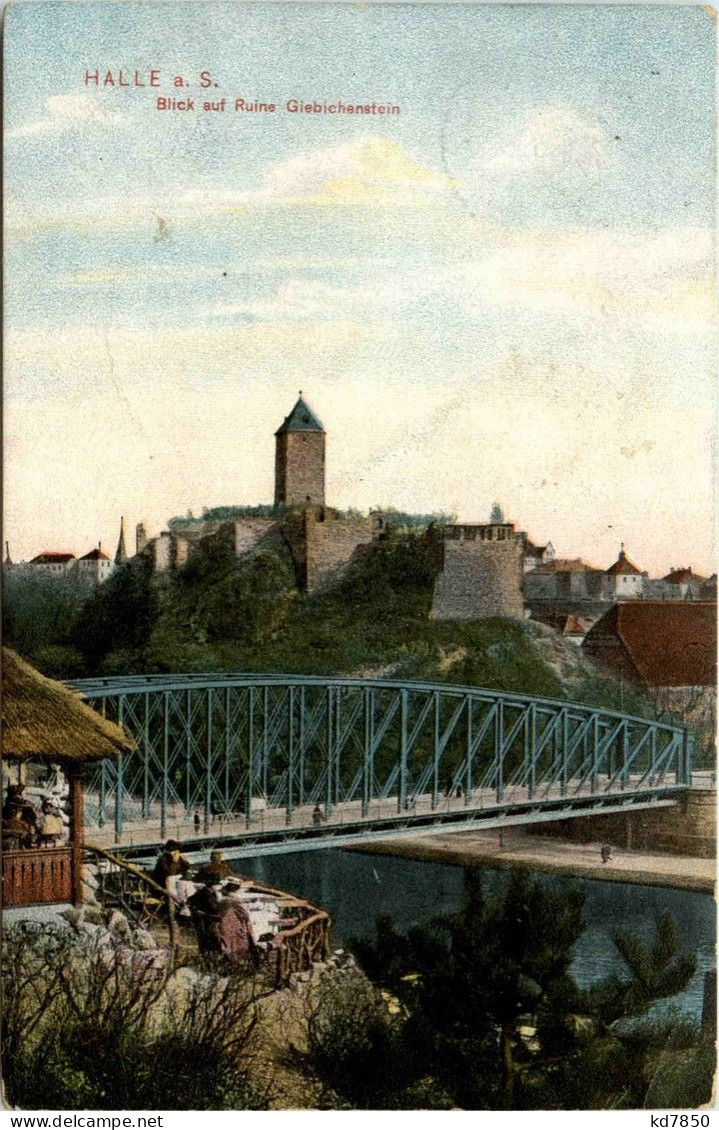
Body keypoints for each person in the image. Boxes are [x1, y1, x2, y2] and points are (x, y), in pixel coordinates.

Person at [213, 882, 255, 967]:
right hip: (234, 923)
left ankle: (230, 961)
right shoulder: (234, 900)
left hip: (226, 923)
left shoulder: (224, 900)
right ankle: (236, 962)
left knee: (227, 941)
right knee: (237, 942)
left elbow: (218, 911)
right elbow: (244, 913)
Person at [188, 879, 222, 952]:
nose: (217, 888)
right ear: (212, 886)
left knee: (205, 935)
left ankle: (206, 951)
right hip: (203, 917)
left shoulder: (205, 892)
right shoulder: (205, 894)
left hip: (205, 917)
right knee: (205, 935)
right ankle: (206, 952)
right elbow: (213, 906)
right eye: (216, 886)